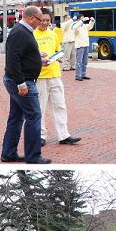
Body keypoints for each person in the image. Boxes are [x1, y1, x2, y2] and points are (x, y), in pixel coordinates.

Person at [1, 6, 51, 164]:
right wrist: (21, 82)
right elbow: (13, 59)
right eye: (39, 19)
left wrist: (38, 61)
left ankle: (9, 153)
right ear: (31, 18)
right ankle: (33, 155)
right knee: (34, 115)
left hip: (19, 79)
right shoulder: (20, 32)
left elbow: (21, 56)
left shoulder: (22, 31)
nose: (41, 23)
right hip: (22, 81)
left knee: (16, 117)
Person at [34, 12, 81, 147]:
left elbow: (58, 51)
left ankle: (63, 135)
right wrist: (39, 57)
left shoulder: (53, 34)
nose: (45, 22)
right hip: (40, 76)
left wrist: (56, 56)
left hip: (54, 74)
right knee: (40, 108)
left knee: (60, 105)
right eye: (42, 20)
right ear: (38, 20)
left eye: (47, 20)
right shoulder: (32, 35)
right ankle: (40, 135)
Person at [73, 14, 95, 81]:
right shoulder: (76, 26)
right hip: (80, 46)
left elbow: (90, 26)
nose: (84, 20)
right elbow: (75, 27)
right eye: (82, 18)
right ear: (79, 19)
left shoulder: (84, 26)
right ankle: (78, 75)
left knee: (85, 61)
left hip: (86, 45)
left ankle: (83, 74)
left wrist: (92, 21)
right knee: (79, 62)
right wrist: (82, 21)